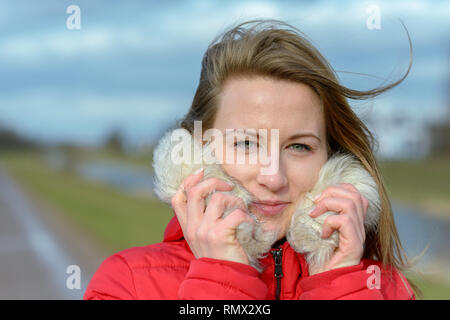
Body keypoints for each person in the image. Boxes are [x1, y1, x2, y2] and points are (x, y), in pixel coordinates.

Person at [84, 19, 418, 300]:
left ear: (332, 160)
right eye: (246, 143)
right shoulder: (126, 284)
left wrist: (342, 287)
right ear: (198, 152)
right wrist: (221, 280)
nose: (273, 178)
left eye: (299, 147)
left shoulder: (386, 290)